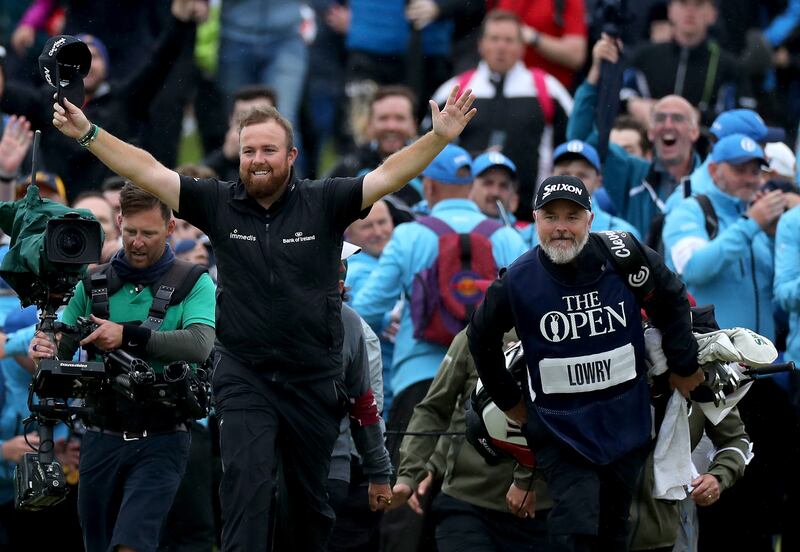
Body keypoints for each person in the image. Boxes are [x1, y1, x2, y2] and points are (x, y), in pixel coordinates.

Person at [51, 78, 478, 550]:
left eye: (269, 150)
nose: (258, 159)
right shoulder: (218, 203)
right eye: (248, 150)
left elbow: (388, 174)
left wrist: (438, 138)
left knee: (308, 508)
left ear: (291, 157)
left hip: (312, 376)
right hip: (244, 374)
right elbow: (147, 170)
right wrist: (88, 132)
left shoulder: (325, 200)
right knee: (245, 492)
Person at [467, 175, 703, 551]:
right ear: (535, 219)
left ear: (590, 220)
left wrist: (684, 365)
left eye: (572, 216)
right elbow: (480, 337)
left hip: (627, 425)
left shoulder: (625, 255)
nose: (561, 227)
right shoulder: (519, 280)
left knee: (612, 530)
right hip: (560, 432)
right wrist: (508, 399)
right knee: (575, 526)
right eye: (551, 216)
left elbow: (673, 301)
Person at [29, 184, 217, 552]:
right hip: (101, 434)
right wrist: (44, 347)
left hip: (163, 435)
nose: (138, 242)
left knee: (132, 543)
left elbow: (199, 343)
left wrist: (126, 336)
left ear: (170, 227)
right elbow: (59, 349)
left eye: (148, 233)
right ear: (118, 223)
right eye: (130, 232)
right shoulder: (92, 282)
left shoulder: (194, 282)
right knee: (97, 543)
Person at [0, 0, 204, 199]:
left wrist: (180, 21)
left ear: (107, 66)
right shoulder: (45, 100)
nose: (85, 64)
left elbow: (159, 62)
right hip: (56, 205)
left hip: (110, 207)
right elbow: (5, 93)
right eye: (76, 57)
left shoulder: (125, 100)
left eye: (94, 56)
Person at [388, 328, 553, 552]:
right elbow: (437, 409)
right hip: (467, 504)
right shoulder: (473, 336)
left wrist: (526, 481)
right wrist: (413, 471)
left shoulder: (559, 332)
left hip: (541, 511)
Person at [430, 9, 573, 221]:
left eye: (509, 40)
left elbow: (570, 148)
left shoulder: (549, 90)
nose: (501, 47)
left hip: (533, 217)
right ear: (481, 45)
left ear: (522, 47)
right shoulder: (453, 91)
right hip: (465, 218)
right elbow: (430, 151)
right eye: (494, 39)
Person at [568, 33, 702, 241]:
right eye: (659, 118)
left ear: (694, 131)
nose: (668, 125)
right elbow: (580, 141)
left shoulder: (712, 180)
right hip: (639, 273)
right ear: (650, 131)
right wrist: (596, 73)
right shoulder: (631, 175)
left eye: (677, 118)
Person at [663, 134, 792, 340]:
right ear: (714, 171)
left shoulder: (760, 215)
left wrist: (772, 236)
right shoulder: (690, 210)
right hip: (714, 361)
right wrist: (751, 224)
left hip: (764, 362)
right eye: (739, 170)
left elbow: (778, 289)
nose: (750, 179)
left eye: (755, 171)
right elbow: (693, 269)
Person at [621, 0, 752, 125]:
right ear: (670, 10)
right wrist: (632, 104)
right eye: (683, 3)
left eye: (699, 4)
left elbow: (743, 115)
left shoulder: (728, 65)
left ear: (713, 14)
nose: (690, 11)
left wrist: (699, 116)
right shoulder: (644, 57)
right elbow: (620, 94)